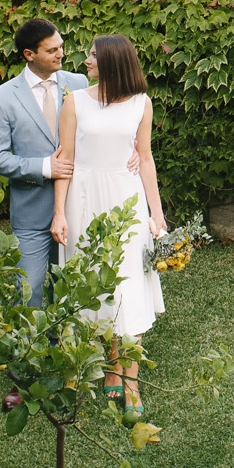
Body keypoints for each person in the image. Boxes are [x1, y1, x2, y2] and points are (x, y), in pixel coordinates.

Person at [52, 35, 168, 415]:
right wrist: (58, 212)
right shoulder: (75, 101)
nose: (86, 60)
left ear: (114, 63)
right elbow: (65, 161)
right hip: (83, 200)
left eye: (93, 55)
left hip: (126, 199)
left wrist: (156, 212)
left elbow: (146, 158)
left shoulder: (141, 104)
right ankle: (104, 371)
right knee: (90, 284)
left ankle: (129, 383)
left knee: (127, 290)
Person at [0, 18, 91, 306]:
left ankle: (62, 348)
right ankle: (30, 349)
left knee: (68, 290)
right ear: (29, 55)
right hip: (31, 212)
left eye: (61, 47)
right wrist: (45, 168)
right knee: (29, 291)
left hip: (74, 207)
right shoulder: (3, 98)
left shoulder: (79, 84)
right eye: (51, 50)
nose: (60, 55)